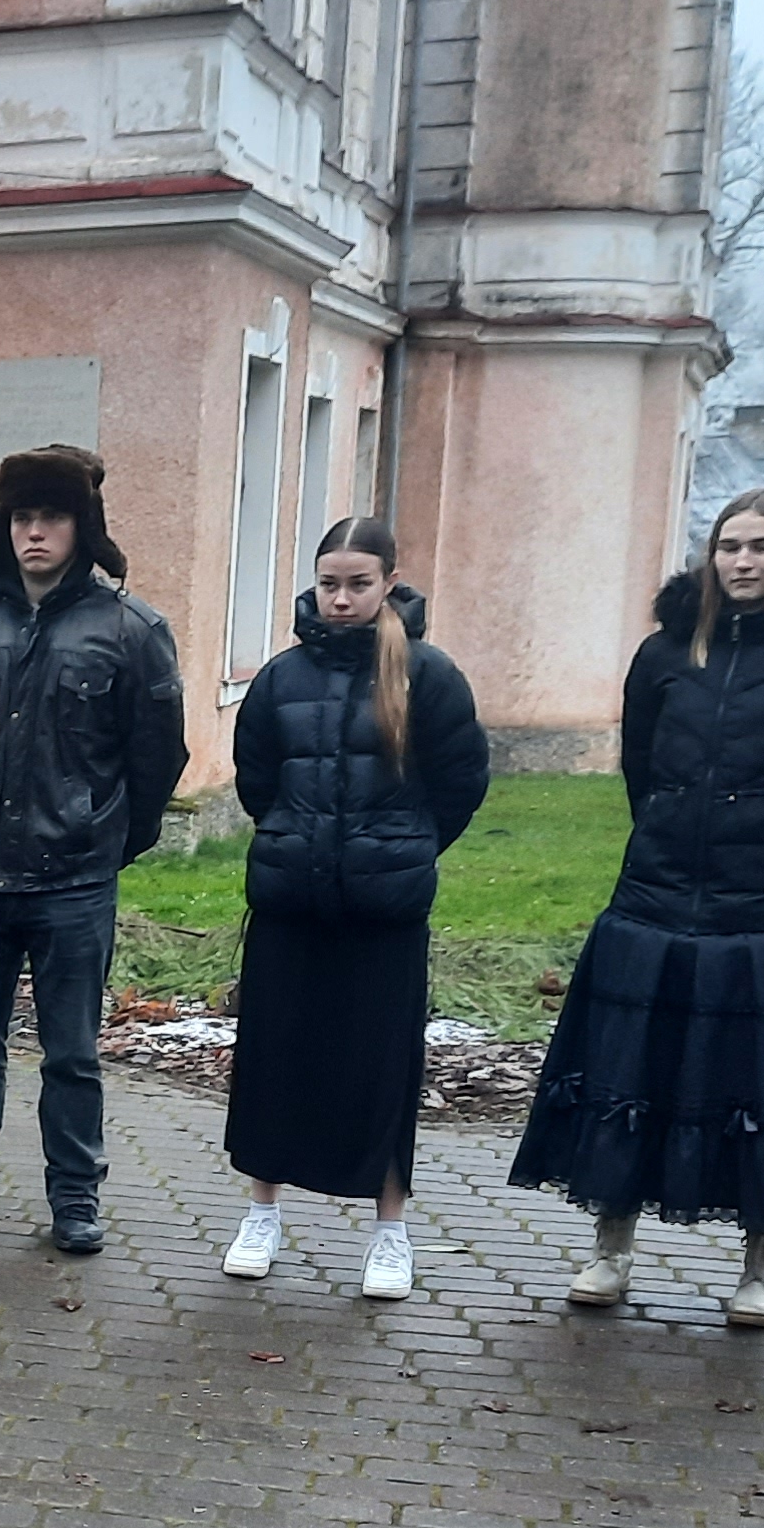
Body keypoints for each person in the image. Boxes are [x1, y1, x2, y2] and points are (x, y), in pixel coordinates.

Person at [513, 484, 764, 1327]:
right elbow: (640, 767)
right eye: (729, 546)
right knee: (634, 1063)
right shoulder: (666, 650)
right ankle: (610, 1247)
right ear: (710, 555)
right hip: (661, 890)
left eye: (762, 547)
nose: (743, 562)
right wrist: (673, 833)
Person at [0, 444, 186, 1253]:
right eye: (22, 517)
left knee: (71, 1055)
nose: (35, 532)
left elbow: (158, 757)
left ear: (83, 526)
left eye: (52, 517)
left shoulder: (131, 630)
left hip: (74, 882)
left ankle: (74, 1195)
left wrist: (107, 834)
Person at [219, 517, 490, 1297]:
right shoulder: (280, 677)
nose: (341, 599)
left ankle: (390, 1233)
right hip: (291, 902)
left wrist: (402, 849)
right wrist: (297, 840)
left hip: (383, 911)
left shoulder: (428, 674)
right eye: (329, 584)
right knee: (274, 1060)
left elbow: (460, 782)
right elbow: (257, 778)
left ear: (389, 583)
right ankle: (261, 1214)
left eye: (358, 584)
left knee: (382, 1069)